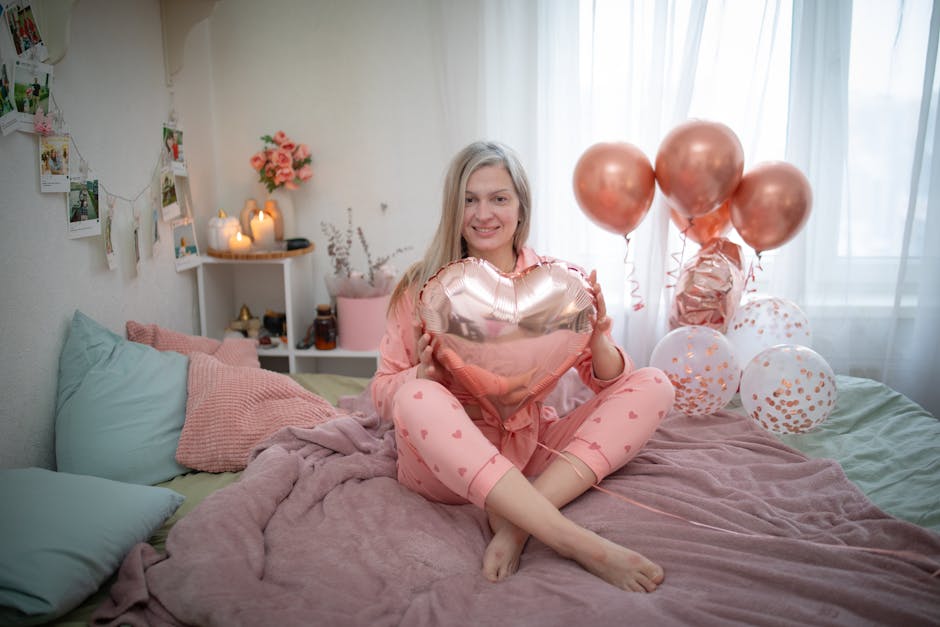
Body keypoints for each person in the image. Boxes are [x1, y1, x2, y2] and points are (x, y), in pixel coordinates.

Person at [371, 141, 675, 592]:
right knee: (416, 396)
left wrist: (598, 335)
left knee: (655, 383)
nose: (483, 214)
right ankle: (576, 542)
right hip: (444, 467)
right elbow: (381, 394)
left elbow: (610, 381)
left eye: (499, 198)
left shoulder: (559, 281)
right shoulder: (423, 286)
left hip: (530, 449)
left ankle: (517, 523)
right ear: (454, 207)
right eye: (469, 199)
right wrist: (423, 376)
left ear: (520, 207)